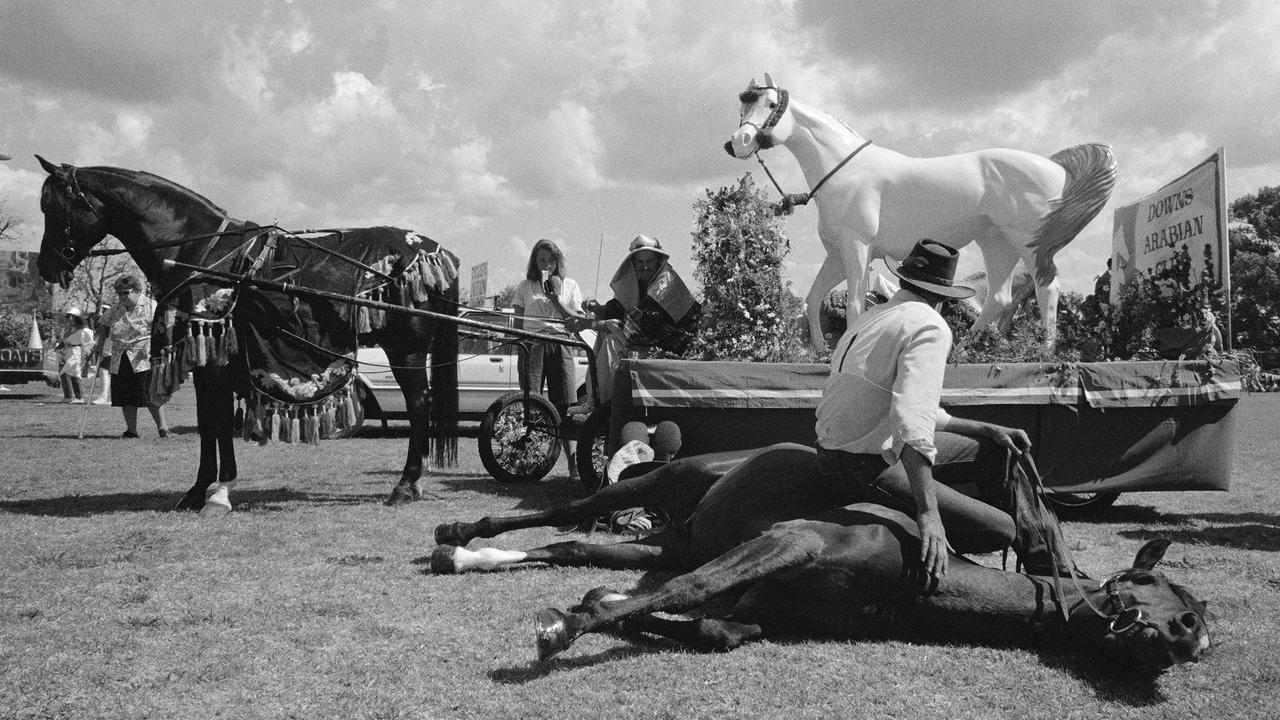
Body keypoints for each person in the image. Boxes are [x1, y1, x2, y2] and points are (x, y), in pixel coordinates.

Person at [815, 239, 1073, 581]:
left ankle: (1056, 567)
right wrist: (929, 512)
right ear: (942, 295)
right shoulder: (929, 325)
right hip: (867, 467)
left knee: (1000, 450)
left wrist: (985, 430)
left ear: (904, 280)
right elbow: (910, 422)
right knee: (999, 529)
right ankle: (1055, 575)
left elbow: (902, 407)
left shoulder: (871, 317)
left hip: (834, 457)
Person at [564, 235, 700, 415]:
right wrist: (599, 309)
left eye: (649, 261)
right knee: (606, 334)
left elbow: (633, 328)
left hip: (674, 350)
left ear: (658, 261)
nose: (644, 266)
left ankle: (605, 408)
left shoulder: (665, 283)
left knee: (613, 339)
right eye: (640, 261)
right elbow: (618, 309)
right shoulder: (641, 282)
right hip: (651, 344)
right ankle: (596, 401)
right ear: (633, 264)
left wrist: (589, 323)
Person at [512, 239, 586, 478]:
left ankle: (573, 464)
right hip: (532, 344)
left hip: (562, 344)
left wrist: (555, 298)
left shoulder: (570, 285)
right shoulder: (525, 286)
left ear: (558, 261)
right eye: (541, 259)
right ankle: (530, 459)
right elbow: (517, 320)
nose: (546, 264)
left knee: (564, 406)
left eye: (551, 260)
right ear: (535, 261)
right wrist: (520, 346)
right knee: (532, 403)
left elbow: (577, 320)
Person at [92, 275, 168, 438]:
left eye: (125, 293)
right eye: (119, 293)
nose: (122, 297)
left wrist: (159, 348)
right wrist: (100, 345)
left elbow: (163, 329)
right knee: (125, 396)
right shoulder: (116, 307)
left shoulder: (151, 306)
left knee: (150, 394)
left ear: (137, 291)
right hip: (120, 355)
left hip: (144, 356)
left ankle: (163, 428)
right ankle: (131, 430)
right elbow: (104, 324)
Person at [57, 307, 94, 404]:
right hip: (66, 351)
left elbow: (89, 344)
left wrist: (87, 357)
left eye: (71, 316)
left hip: (77, 352)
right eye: (68, 316)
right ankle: (68, 397)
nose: (68, 318)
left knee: (71, 373)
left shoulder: (85, 330)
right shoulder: (66, 329)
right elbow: (63, 341)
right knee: (65, 373)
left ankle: (79, 397)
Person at [90, 303, 112, 405]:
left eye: (104, 310)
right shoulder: (102, 323)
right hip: (105, 352)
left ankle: (104, 397)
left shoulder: (111, 322)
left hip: (111, 352)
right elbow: (100, 337)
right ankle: (106, 396)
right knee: (103, 372)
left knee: (104, 372)